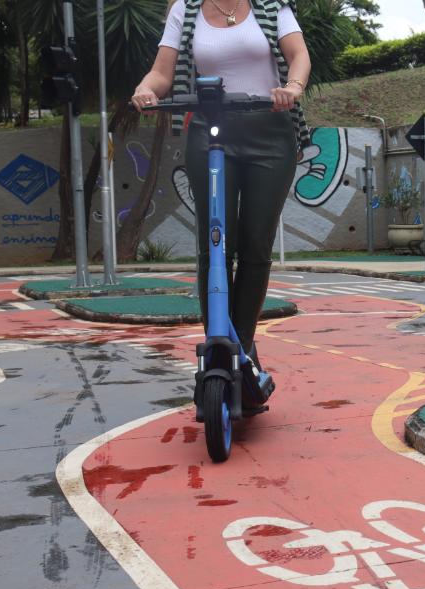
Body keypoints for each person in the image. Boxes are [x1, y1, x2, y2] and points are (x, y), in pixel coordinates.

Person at [131, 0, 311, 377]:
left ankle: (241, 349)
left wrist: (291, 87)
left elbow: (298, 56)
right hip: (211, 132)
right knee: (214, 243)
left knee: (255, 245)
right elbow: (161, 72)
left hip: (270, 130)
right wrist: (146, 90)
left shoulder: (270, 6)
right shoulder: (186, 8)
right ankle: (218, 344)